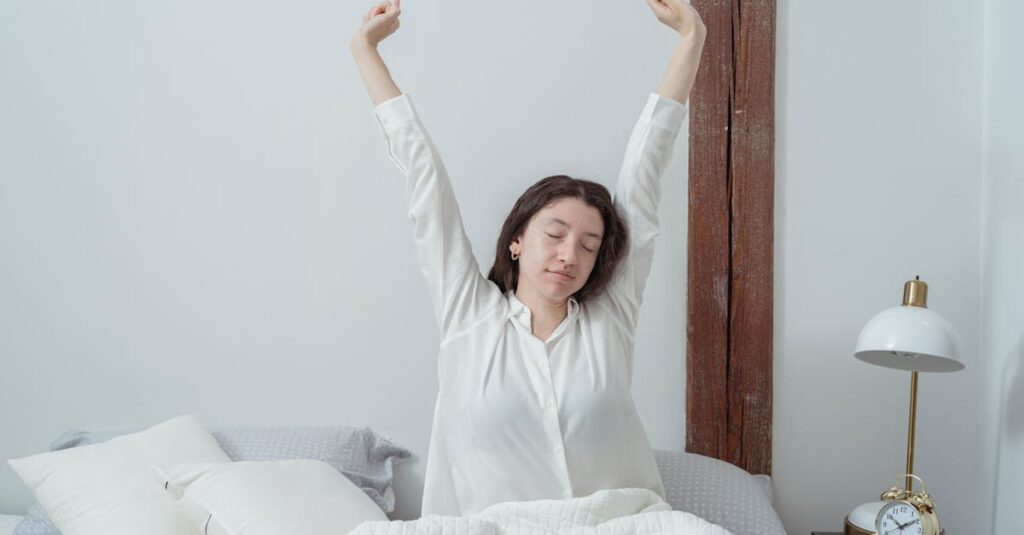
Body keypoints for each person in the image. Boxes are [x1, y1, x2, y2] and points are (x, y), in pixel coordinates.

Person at [351, 0, 706, 517]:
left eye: (588, 245)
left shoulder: (611, 320)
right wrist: (366, 51)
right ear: (517, 239)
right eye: (555, 234)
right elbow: (424, 178)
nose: (570, 255)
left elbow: (646, 168)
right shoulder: (468, 316)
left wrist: (690, 38)